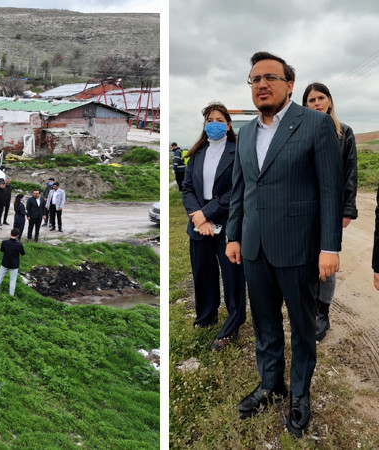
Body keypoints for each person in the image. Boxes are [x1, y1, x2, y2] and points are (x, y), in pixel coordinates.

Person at [225, 51, 343, 438]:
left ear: (289, 84)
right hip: (255, 248)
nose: (262, 84)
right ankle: (270, 384)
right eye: (255, 79)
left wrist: (330, 247)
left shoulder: (313, 125)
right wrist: (233, 235)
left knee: (303, 327)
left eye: (270, 77)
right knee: (265, 323)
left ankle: (299, 394)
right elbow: (241, 191)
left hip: (298, 249)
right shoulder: (244, 133)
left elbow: (330, 190)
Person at [182, 102, 246, 352]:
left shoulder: (237, 151)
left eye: (219, 120)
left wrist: (207, 214)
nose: (214, 124)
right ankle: (206, 316)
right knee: (202, 272)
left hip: (227, 218)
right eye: (210, 120)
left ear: (228, 125)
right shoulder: (196, 153)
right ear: (204, 125)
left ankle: (234, 321)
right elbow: (187, 188)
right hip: (198, 220)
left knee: (232, 275)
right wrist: (198, 217)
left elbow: (237, 189)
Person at [302, 82, 359, 342]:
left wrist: (347, 209)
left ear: (329, 101)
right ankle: (308, 308)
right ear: (304, 106)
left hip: (331, 209)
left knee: (328, 261)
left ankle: (322, 312)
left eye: (320, 98)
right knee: (305, 259)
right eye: (311, 100)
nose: (316, 103)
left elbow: (350, 174)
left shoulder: (343, 133)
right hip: (303, 209)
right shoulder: (299, 133)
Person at [0, 227, 26, 296]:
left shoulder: (4, 242)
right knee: (12, 281)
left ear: (10, 234)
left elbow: (2, 250)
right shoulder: (19, 245)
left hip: (5, 263)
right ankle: (11, 295)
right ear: (17, 236)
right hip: (14, 265)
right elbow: (23, 253)